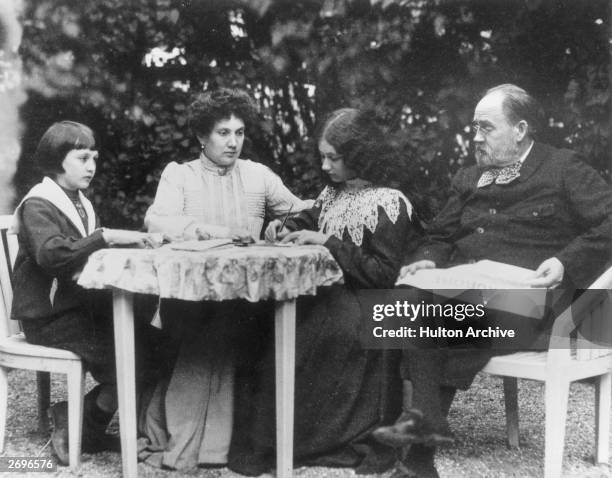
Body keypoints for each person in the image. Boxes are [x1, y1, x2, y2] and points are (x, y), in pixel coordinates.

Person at [373, 84, 612, 478]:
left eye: (486, 128)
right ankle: (418, 447)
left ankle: (416, 447)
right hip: (469, 298)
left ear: (520, 129)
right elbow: (437, 237)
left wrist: (565, 261)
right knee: (399, 303)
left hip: (538, 305)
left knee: (419, 316)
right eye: (474, 129)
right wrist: (425, 262)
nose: (476, 137)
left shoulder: (564, 168)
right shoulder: (469, 178)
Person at [227, 108, 423, 475]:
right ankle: (277, 437)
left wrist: (327, 241)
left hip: (366, 304)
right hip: (328, 295)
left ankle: (311, 438)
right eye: (323, 156)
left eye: (334, 157)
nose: (325, 165)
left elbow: (382, 273)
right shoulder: (331, 194)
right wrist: (280, 227)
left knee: (314, 335)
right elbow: (309, 219)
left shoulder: (389, 202)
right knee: (269, 326)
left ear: (359, 155)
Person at [138, 88, 311, 470]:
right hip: (190, 298)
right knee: (212, 328)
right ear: (202, 136)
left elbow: (300, 211)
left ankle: (232, 445)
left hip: (248, 298)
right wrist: (202, 229)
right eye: (223, 133)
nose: (233, 142)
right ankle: (187, 441)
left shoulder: (257, 175)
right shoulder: (180, 175)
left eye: (239, 132)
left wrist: (281, 227)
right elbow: (156, 220)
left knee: (243, 324)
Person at [10, 121, 163, 465]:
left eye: (94, 157)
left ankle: (80, 420)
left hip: (77, 310)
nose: (92, 166)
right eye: (82, 157)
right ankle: (84, 424)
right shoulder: (40, 203)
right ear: (57, 160)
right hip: (48, 317)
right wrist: (105, 236)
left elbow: (87, 257)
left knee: (150, 344)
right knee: (124, 353)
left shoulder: (80, 203)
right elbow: (52, 255)